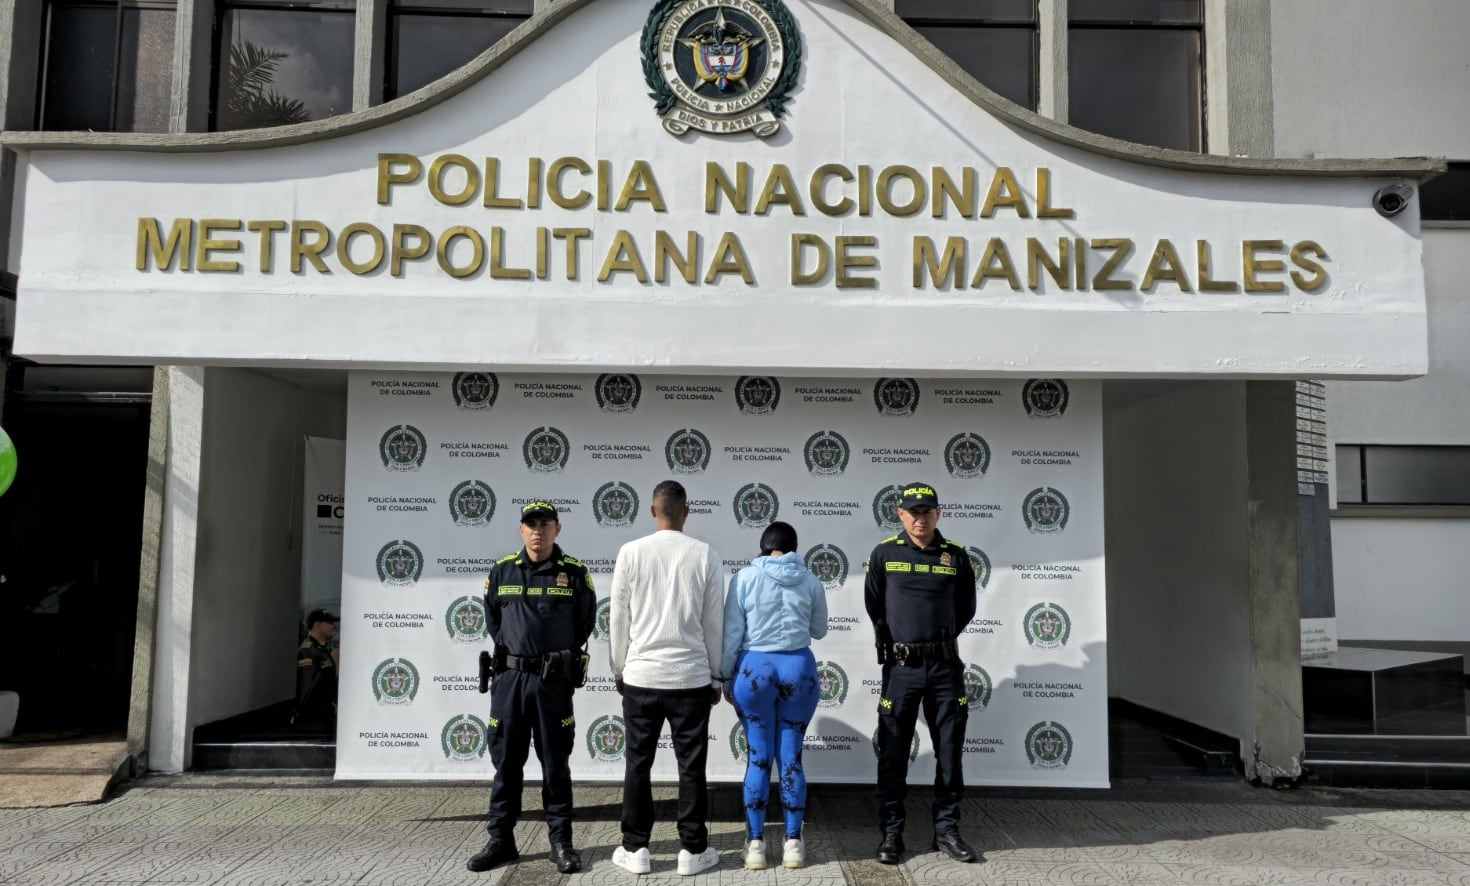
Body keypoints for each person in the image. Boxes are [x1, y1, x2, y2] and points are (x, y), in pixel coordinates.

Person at [467, 501, 596, 875]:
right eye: (530, 525)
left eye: (544, 524)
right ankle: (501, 840)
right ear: (521, 530)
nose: (537, 530)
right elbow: (494, 620)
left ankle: (560, 842)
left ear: (558, 528)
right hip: (509, 682)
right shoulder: (502, 569)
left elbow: (585, 623)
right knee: (506, 763)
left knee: (555, 764)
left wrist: (551, 657)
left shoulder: (573, 573)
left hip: (552, 683)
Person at [608, 480, 725, 877]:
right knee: (691, 768)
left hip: (641, 676)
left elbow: (617, 618)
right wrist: (716, 675)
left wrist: (619, 668)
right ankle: (692, 851)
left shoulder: (630, 552)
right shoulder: (705, 554)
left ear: (652, 510)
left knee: (637, 765)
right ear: (686, 512)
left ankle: (635, 848)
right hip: (690, 677)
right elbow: (714, 623)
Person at [864, 482, 979, 865]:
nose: (920, 518)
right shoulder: (883, 554)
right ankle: (892, 832)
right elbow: (875, 607)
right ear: (900, 514)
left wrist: (936, 644)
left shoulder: (956, 557)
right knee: (893, 751)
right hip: (901, 669)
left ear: (938, 514)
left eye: (926, 511)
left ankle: (946, 830)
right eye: (912, 511)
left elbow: (965, 608)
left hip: (945, 669)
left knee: (949, 751)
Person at [721, 521, 828, 871]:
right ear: (795, 547)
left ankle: (754, 844)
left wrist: (724, 676)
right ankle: (793, 842)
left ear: (764, 546)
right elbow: (820, 629)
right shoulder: (810, 579)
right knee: (792, 759)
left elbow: (733, 634)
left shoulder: (744, 577)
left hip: (755, 670)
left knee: (758, 757)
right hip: (798, 667)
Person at [293, 609, 339, 729]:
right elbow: (307, 691)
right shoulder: (308, 651)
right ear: (317, 625)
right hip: (313, 720)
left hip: (325, 715)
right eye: (329, 623)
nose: (333, 626)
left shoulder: (323, 650)